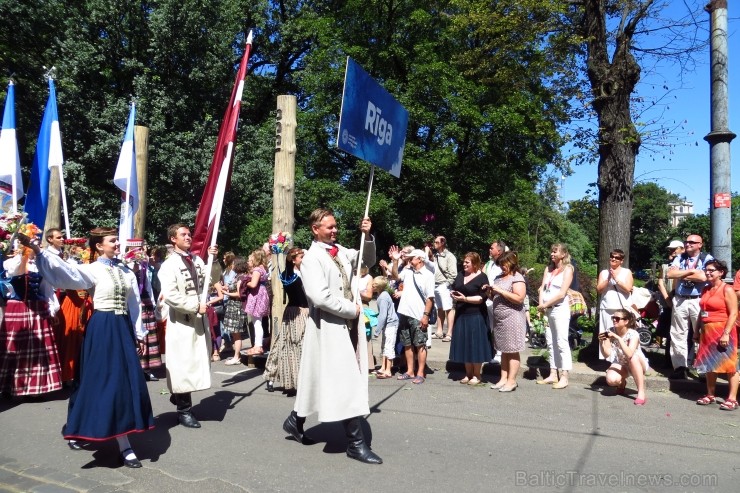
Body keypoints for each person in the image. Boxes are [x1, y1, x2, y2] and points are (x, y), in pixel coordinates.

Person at [21, 228, 153, 468]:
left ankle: (124, 443)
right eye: (112, 241)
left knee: (124, 383)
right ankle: (89, 430)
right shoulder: (92, 270)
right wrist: (39, 251)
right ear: (99, 246)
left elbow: (134, 305)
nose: (117, 244)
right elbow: (64, 275)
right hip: (102, 328)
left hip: (122, 328)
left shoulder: (126, 271)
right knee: (98, 382)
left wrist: (139, 334)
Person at [282, 208, 381, 465]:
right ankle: (355, 444)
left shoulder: (341, 251)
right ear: (316, 229)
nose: (335, 230)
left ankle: (295, 420)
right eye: (329, 227)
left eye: (335, 226)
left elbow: (365, 261)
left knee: (316, 377)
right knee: (346, 382)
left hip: (347, 327)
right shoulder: (311, 258)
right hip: (327, 326)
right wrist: (352, 309)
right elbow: (319, 296)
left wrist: (367, 236)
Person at [157, 224, 218, 429]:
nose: (188, 237)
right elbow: (170, 294)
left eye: (189, 234)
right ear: (173, 239)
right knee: (182, 364)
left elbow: (208, 281)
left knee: (196, 362)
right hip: (182, 319)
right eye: (183, 234)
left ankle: (178, 394)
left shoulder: (197, 259)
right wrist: (194, 305)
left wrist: (211, 260)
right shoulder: (169, 265)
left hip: (199, 319)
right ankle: (184, 410)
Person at [0, 244, 63, 397]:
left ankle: (36, 387)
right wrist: (23, 257)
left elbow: (46, 289)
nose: (33, 247)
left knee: (38, 349)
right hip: (17, 306)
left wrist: (52, 308)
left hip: (37, 308)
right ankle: (9, 385)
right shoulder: (11, 262)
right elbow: (16, 274)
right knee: (14, 346)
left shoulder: (41, 265)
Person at [666, 234, 712, 380]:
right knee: (678, 334)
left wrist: (681, 274)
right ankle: (680, 367)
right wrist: (692, 272)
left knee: (701, 333)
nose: (688, 244)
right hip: (680, 300)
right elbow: (670, 273)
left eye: (692, 242)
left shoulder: (707, 259)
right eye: (686, 241)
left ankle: (702, 369)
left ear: (700, 244)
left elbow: (704, 277)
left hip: (698, 299)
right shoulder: (680, 257)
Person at [694, 260, 738, 410]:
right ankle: (710, 394)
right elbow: (702, 312)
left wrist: (726, 334)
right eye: (706, 270)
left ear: (721, 273)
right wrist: (696, 330)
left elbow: (733, 313)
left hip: (723, 331)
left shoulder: (727, 290)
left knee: (729, 365)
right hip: (706, 331)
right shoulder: (705, 289)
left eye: (712, 270)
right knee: (709, 364)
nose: (708, 272)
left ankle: (732, 398)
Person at [263, 247, 308, 393]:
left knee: (286, 345)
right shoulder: (295, 276)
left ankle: (275, 377)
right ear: (294, 260)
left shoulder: (290, 274)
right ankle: (289, 379)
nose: (304, 260)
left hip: (295, 311)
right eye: (301, 257)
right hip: (299, 311)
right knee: (294, 346)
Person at [390, 247, 434, 384]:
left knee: (420, 344)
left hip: (418, 314)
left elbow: (430, 298)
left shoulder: (428, 275)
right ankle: (410, 371)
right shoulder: (408, 272)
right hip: (404, 312)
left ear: (420, 259)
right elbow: (395, 276)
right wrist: (395, 261)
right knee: (407, 344)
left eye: (412, 257)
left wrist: (425, 316)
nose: (409, 259)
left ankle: (420, 372)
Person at [485, 251, 526, 392]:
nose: (502, 267)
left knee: (513, 350)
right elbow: (494, 298)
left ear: (511, 262)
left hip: (512, 317)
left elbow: (519, 298)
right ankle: (503, 378)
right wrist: (489, 292)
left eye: (504, 264)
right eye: (500, 264)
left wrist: (500, 291)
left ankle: (512, 380)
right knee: (503, 349)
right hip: (500, 319)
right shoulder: (498, 277)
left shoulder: (517, 277)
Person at [448, 252, 491, 385]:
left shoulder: (482, 277)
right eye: (464, 261)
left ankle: (477, 375)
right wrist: (453, 294)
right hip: (461, 314)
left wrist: (464, 299)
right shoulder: (461, 274)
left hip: (476, 315)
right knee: (465, 344)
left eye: (468, 262)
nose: (464, 264)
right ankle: (468, 374)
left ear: (475, 263)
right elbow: (456, 287)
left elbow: (481, 298)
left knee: (475, 345)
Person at [536, 243, 574, 389]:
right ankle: (553, 373)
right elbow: (542, 288)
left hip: (559, 309)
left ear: (563, 254)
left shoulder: (568, 269)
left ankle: (564, 375)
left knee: (561, 341)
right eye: (551, 252)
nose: (552, 254)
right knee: (550, 341)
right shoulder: (549, 269)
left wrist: (545, 305)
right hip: (547, 310)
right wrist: (541, 305)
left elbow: (562, 293)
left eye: (555, 252)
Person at [599, 308, 649, 405]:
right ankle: (622, 384)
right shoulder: (610, 331)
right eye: (613, 318)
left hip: (637, 362)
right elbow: (607, 354)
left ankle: (641, 392)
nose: (614, 320)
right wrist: (601, 343)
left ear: (626, 321)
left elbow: (629, 354)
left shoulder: (633, 334)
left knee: (633, 358)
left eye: (617, 318)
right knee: (611, 380)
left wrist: (618, 338)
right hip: (621, 362)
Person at [596, 249, 634, 359]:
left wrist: (616, 279)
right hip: (607, 308)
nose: (613, 259)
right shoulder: (604, 273)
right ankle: (607, 358)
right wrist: (608, 279)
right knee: (606, 334)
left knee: (621, 334)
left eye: (617, 258)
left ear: (621, 261)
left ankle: (622, 357)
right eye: (612, 256)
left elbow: (628, 289)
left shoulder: (626, 272)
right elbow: (599, 289)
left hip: (621, 309)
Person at [656, 240, 684, 365]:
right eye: (670, 249)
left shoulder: (685, 264)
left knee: (681, 333)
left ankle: (682, 361)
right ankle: (668, 360)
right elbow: (660, 282)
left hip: (680, 301)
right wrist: (667, 300)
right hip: (668, 303)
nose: (672, 251)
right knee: (668, 332)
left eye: (675, 249)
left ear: (682, 249)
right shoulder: (665, 266)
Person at [222, 257, 250, 365]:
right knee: (234, 333)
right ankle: (236, 355)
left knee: (236, 333)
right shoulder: (237, 277)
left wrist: (227, 293)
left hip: (236, 306)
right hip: (232, 305)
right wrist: (226, 288)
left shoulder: (241, 278)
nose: (232, 265)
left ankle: (237, 357)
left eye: (234, 264)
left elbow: (239, 294)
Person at [242, 249, 271, 356]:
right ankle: (257, 345)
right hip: (262, 293)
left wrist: (245, 282)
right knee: (258, 321)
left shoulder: (257, 270)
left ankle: (258, 346)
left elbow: (253, 284)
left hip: (257, 294)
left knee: (257, 322)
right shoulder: (263, 268)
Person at [483, 240, 506, 364]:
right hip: (488, 299)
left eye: (492, 248)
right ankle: (494, 351)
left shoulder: (503, 264)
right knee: (491, 327)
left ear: (499, 250)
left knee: (499, 327)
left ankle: (500, 354)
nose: (490, 250)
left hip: (498, 299)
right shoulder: (490, 264)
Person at [373, 276, 399, 379]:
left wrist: (377, 330)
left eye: (374, 284)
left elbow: (383, 315)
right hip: (387, 324)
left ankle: (388, 370)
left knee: (389, 346)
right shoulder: (381, 295)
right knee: (384, 345)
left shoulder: (383, 297)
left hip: (391, 324)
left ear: (378, 286)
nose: (372, 285)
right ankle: (383, 367)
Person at [431, 236, 456, 342]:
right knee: (439, 308)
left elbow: (453, 274)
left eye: (436, 242)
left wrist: (446, 285)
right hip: (435, 285)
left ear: (442, 243)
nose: (434, 243)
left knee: (448, 308)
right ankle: (439, 331)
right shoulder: (435, 255)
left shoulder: (449, 256)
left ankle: (449, 333)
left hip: (444, 285)